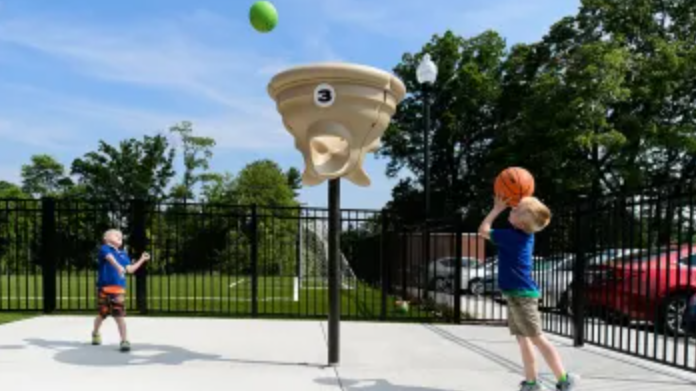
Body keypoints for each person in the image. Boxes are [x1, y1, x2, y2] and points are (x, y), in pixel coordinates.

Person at [478, 196, 578, 391]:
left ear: (522, 222)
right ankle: (531, 383)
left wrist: (496, 209)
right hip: (515, 295)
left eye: (516, 210)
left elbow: (482, 231)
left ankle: (564, 380)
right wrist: (520, 203)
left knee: (536, 338)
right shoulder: (522, 234)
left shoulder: (513, 237)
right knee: (524, 340)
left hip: (522, 296)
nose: (511, 210)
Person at [92, 229, 150, 352]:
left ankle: (124, 340)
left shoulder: (123, 254)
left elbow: (130, 269)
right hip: (104, 289)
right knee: (102, 314)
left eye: (121, 236)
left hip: (118, 290)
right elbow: (110, 258)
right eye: (115, 234)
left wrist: (141, 259)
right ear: (106, 238)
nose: (120, 236)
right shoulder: (105, 249)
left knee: (119, 316)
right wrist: (118, 267)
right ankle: (95, 332)